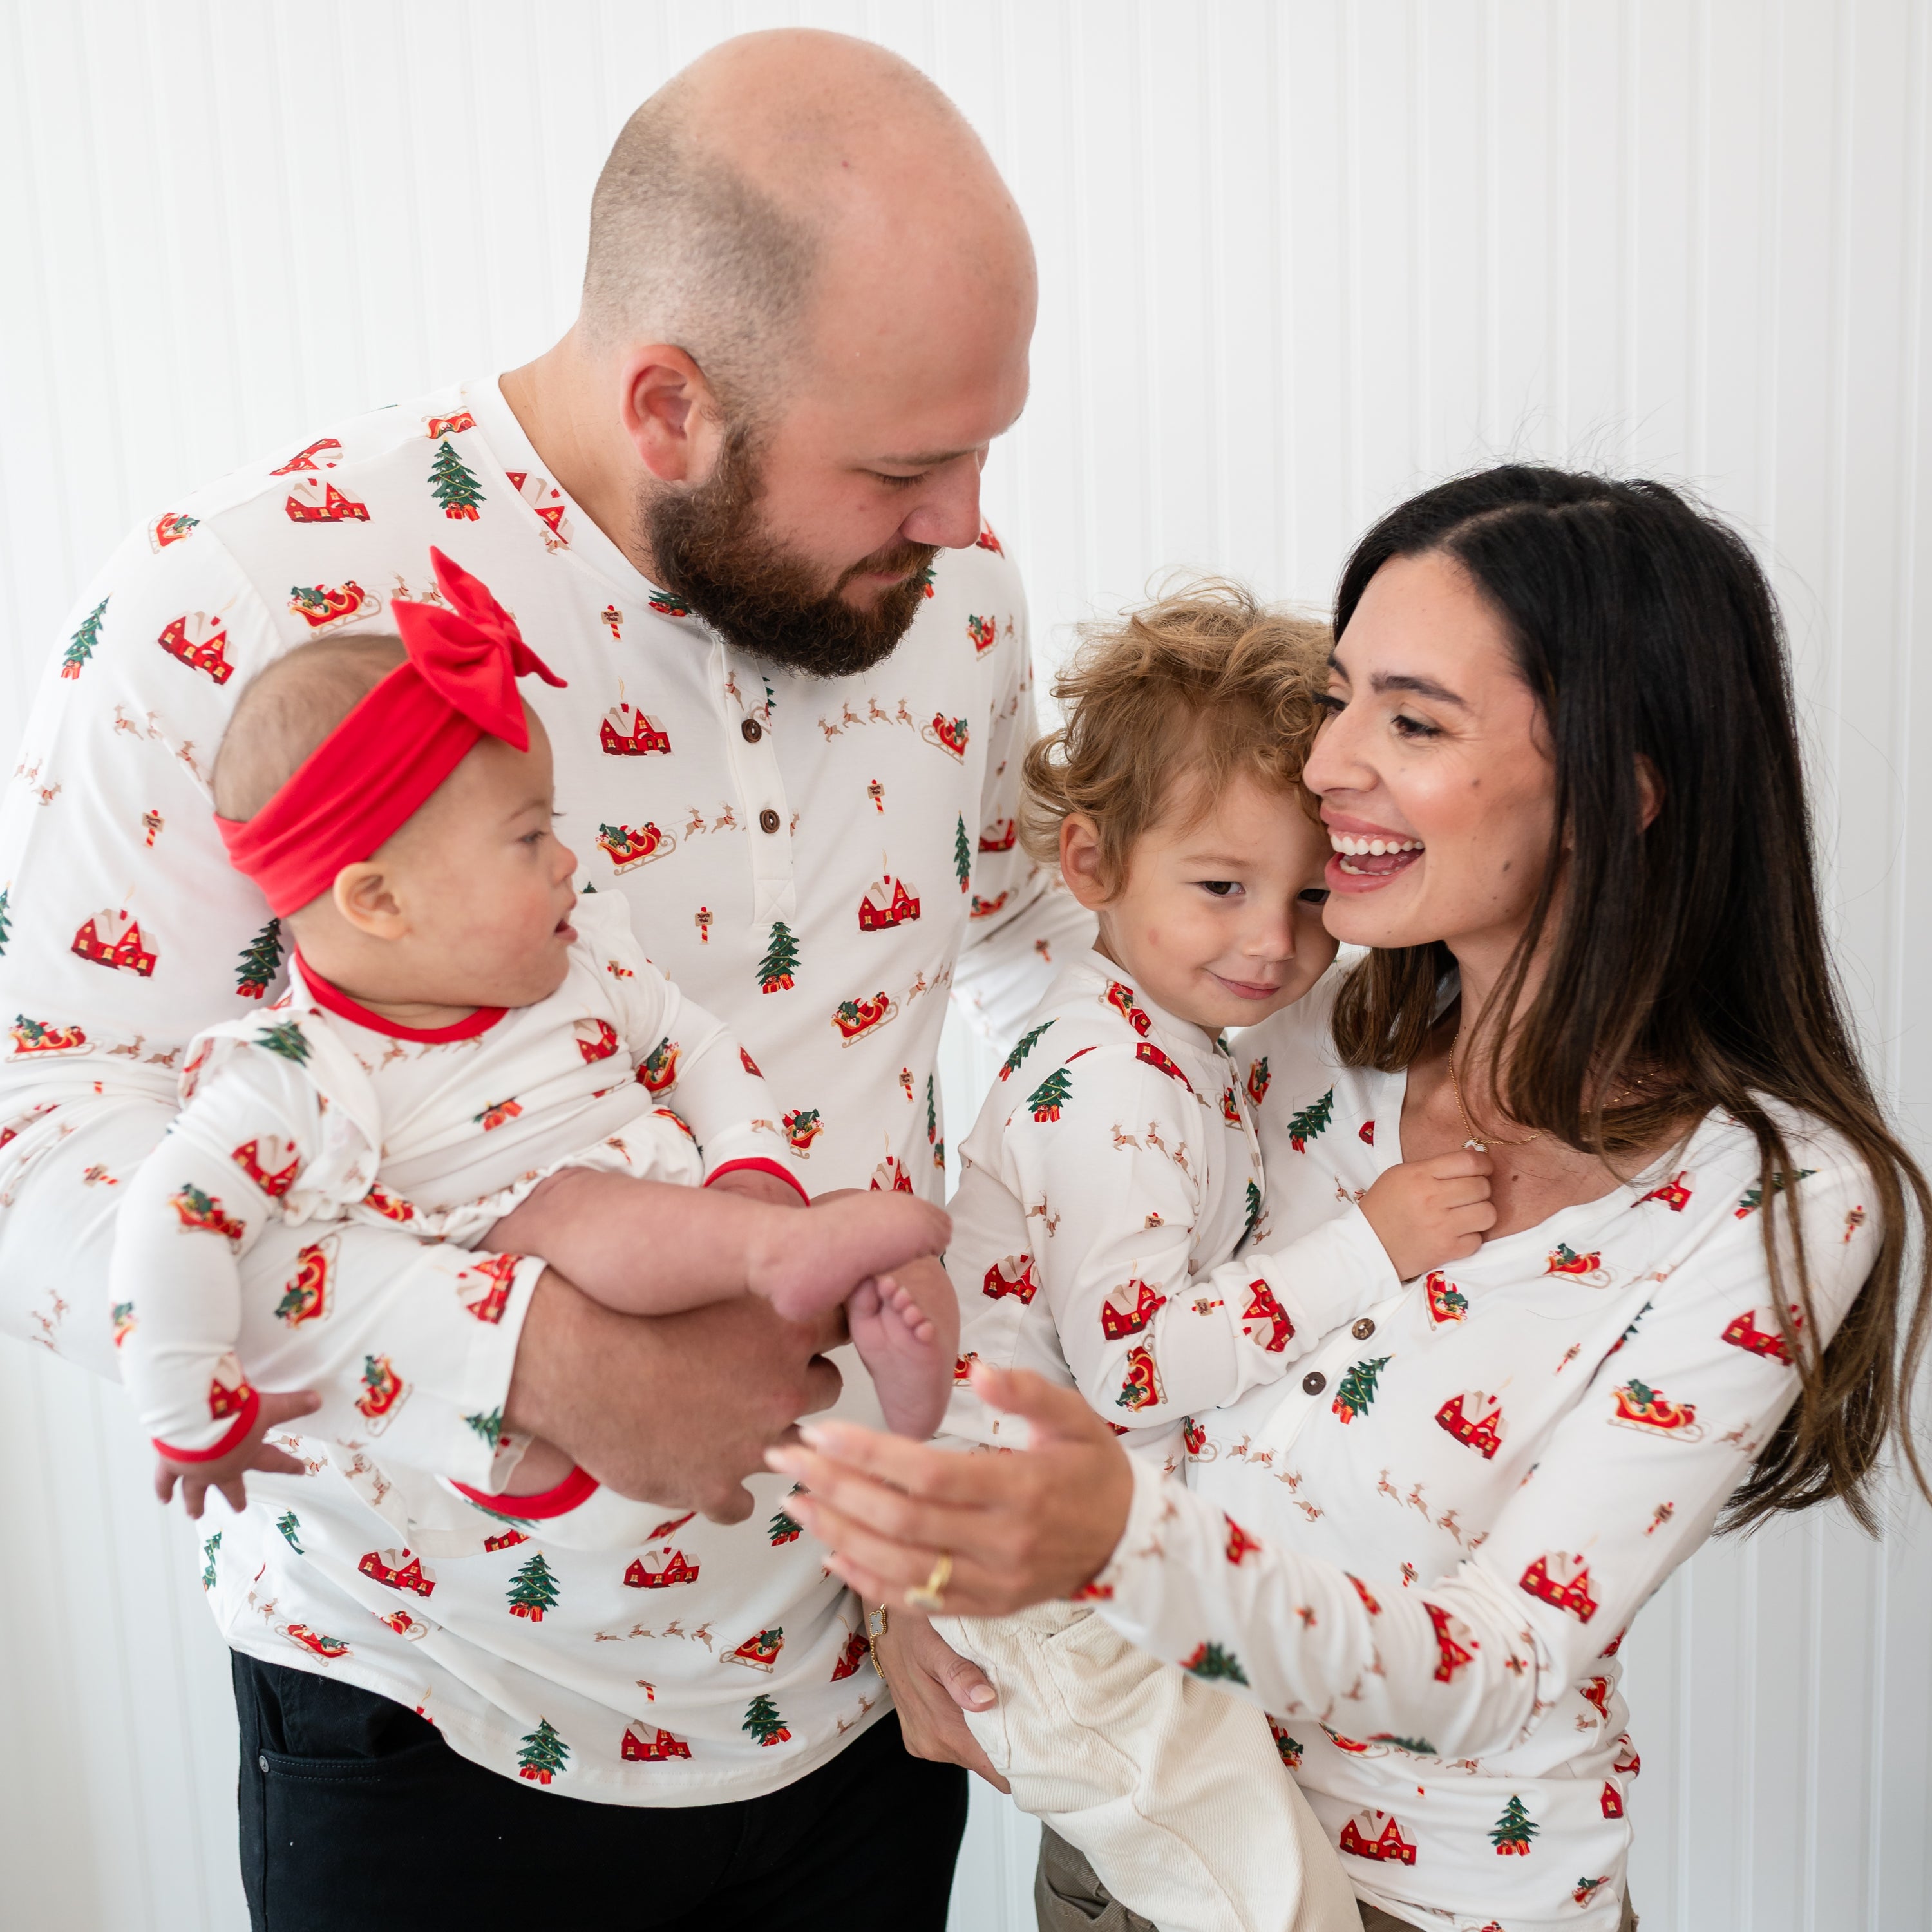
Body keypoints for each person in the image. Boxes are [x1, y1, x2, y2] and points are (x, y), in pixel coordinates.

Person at [0, 30, 1090, 1929]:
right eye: (909, 464)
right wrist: (541, 1368)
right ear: (667, 402)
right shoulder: (241, 605)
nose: (974, 526)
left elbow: (1032, 984)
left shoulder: (948, 600)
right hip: (442, 1734)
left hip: (867, 1715)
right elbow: (40, 1144)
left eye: (988, 448)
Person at [766, 467, 1932, 1932]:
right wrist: (924, 1578)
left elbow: (1507, 1650)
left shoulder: (1770, 1204)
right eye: (1339, 699)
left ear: (1614, 791)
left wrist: (1109, 1548)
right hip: (1135, 1859)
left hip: (1423, 1900)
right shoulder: (1306, 1011)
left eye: (1413, 720)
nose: (1325, 766)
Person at [117, 549, 953, 1524]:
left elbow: (698, 1045)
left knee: (876, 1229)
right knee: (574, 1212)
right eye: (527, 837)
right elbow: (166, 1226)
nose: (566, 861)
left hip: (711, 1256)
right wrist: (192, 1416)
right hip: (537, 1317)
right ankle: (785, 1259)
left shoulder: (582, 957)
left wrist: (750, 1172)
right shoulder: (298, 1074)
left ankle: (894, 1368)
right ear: (380, 900)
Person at [933, 585, 1497, 1932]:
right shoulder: (1111, 1080)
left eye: (1310, 894)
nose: (1272, 940)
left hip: (1100, 1575)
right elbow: (1135, 1361)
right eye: (1221, 887)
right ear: (1090, 869)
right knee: (1269, 1901)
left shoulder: (1179, 1046)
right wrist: (1374, 1243)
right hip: (1053, 1599)